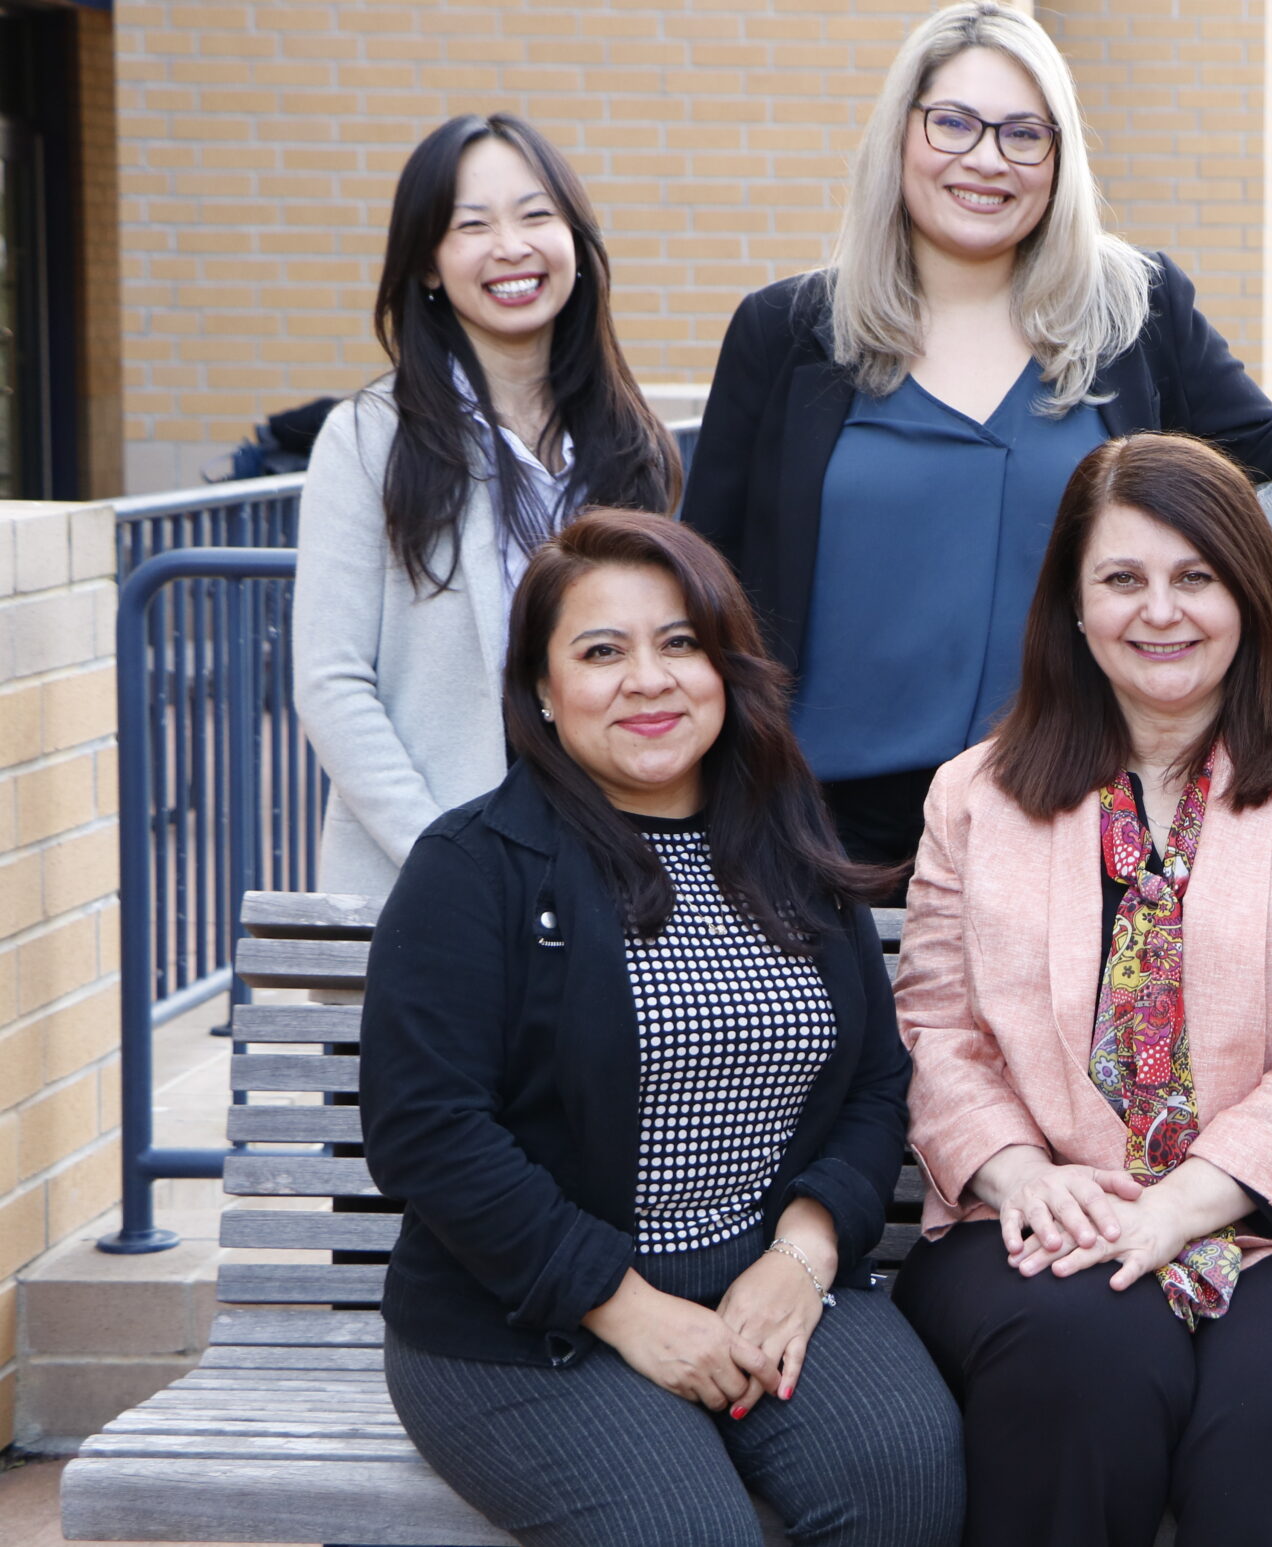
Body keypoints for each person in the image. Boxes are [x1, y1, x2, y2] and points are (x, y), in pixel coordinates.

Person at [683, 0, 1272, 866]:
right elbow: (702, 578)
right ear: (900, 135)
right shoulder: (784, 332)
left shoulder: (1133, 311)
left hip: (1072, 817)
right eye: (953, 123)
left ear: (1058, 159)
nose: (987, 158)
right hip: (816, 833)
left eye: (1025, 134)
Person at [888, 433, 1272, 1547]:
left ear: (1250, 593)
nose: (1162, 611)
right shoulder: (975, 797)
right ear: (1071, 603)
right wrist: (1018, 1178)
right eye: (1122, 579)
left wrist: (1176, 1209)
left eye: (1196, 576)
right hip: (1046, 1220)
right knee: (1078, 1364)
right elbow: (938, 1027)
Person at [359, 510, 962, 1547]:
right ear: (543, 692)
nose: (649, 680)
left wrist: (804, 1253)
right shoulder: (475, 866)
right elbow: (428, 1130)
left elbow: (872, 1083)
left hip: (767, 1272)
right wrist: (627, 1309)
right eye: (601, 652)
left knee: (904, 1481)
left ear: (724, 671)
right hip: (528, 1316)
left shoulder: (789, 850)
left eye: (680, 644)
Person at [295, 113, 682, 897]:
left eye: (536, 215)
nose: (511, 247)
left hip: (606, 871)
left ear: (575, 240)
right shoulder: (369, 439)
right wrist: (445, 855)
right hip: (427, 875)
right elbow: (332, 682)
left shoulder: (633, 443)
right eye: (472, 226)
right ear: (430, 264)